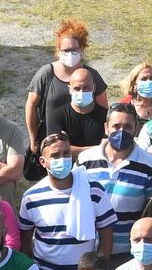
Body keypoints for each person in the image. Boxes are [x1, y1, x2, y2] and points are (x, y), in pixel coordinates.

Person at [19, 132, 116, 270]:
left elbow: (106, 237)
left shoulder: (94, 190)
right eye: (55, 155)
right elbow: (26, 243)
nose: (62, 159)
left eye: (66, 153)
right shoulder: (31, 197)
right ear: (43, 162)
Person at [79, 104, 152, 258]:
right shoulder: (85, 160)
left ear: (136, 129)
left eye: (127, 126)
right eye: (116, 126)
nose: (121, 132)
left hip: (127, 252)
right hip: (88, 251)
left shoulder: (149, 165)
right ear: (106, 128)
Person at [26, 20, 108, 166]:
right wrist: (33, 139)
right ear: (58, 50)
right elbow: (31, 106)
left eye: (74, 50)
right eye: (66, 50)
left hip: (86, 136)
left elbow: (103, 110)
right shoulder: (46, 74)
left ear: (81, 50)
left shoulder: (91, 75)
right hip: (54, 139)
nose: (70, 54)